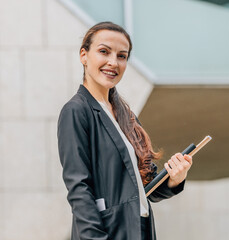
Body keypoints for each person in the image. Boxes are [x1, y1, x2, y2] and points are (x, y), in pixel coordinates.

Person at [57, 21, 193, 240]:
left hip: (140, 229)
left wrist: (173, 179)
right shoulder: (76, 111)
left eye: (122, 56)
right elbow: (79, 188)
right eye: (104, 51)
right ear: (84, 55)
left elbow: (145, 187)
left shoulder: (126, 116)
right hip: (108, 232)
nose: (113, 62)